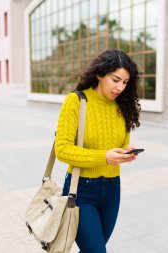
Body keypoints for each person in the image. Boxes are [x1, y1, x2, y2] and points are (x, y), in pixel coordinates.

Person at [55, 49, 141, 253]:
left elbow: (122, 143)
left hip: (112, 189)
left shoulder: (123, 106)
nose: (120, 87)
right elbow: (62, 149)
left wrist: (125, 152)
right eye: (115, 79)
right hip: (81, 191)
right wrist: (104, 157)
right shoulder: (76, 101)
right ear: (100, 74)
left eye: (125, 82)